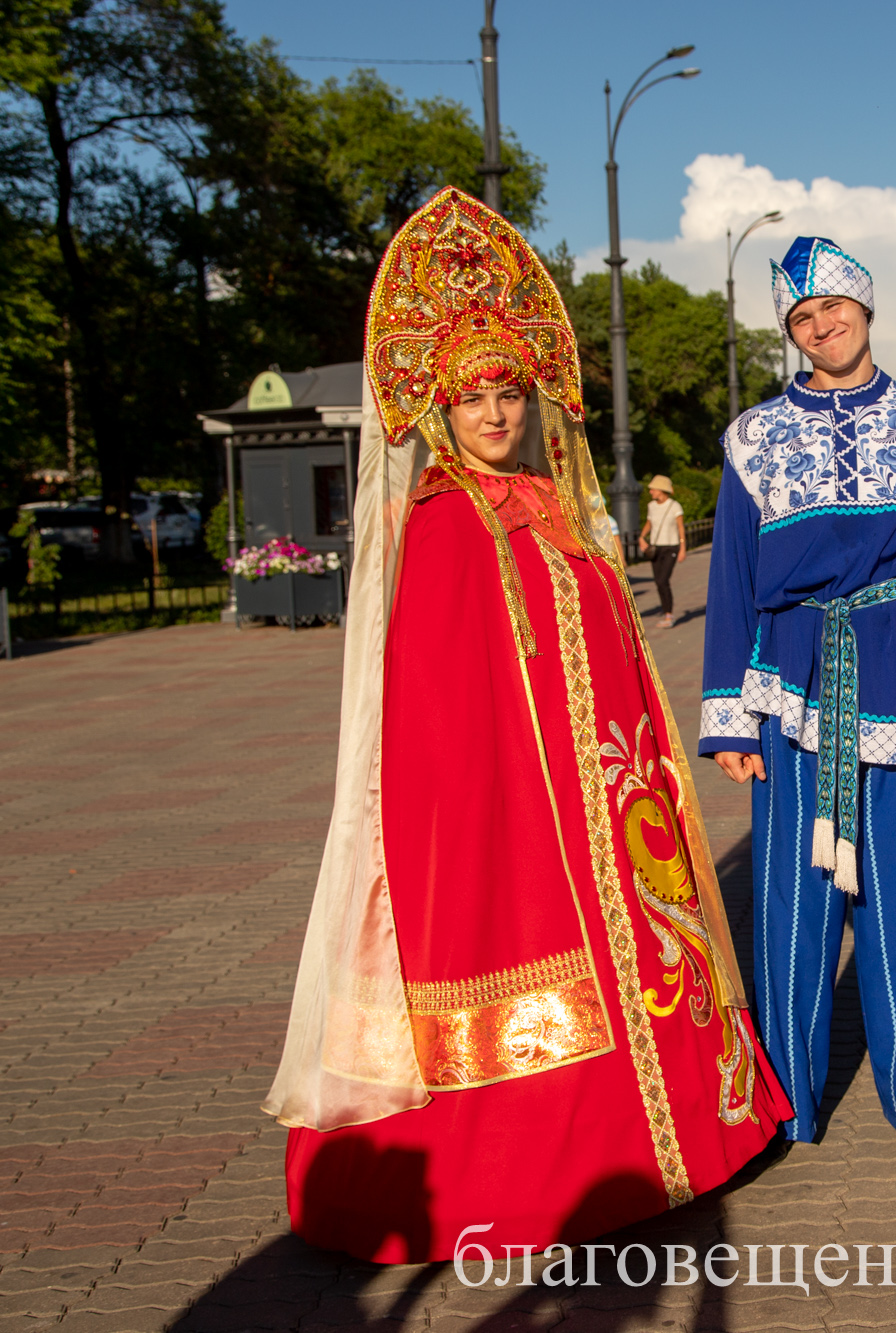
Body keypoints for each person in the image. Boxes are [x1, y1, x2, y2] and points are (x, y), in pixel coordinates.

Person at [267, 189, 787, 1264]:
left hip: (615, 801)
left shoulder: (564, 511)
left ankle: (680, 1136)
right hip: (507, 815)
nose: (496, 415)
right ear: (439, 413)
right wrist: (490, 809)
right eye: (472, 399)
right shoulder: (446, 526)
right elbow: (439, 707)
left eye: (509, 393)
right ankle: (527, 1174)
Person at [699, 235, 896, 1155]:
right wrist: (730, 719)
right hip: (792, 684)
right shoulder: (752, 437)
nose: (820, 326)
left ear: (864, 309)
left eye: (832, 307)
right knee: (792, 901)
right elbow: (734, 581)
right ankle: (787, 1103)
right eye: (801, 318)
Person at [638, 474, 687, 628]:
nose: (651, 492)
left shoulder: (674, 506)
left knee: (662, 580)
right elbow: (649, 523)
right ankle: (667, 612)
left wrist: (682, 548)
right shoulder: (651, 506)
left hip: (671, 547)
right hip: (656, 547)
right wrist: (641, 537)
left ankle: (668, 615)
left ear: (661, 490)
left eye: (653, 489)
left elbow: (680, 527)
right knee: (658, 582)